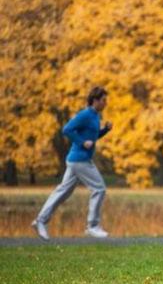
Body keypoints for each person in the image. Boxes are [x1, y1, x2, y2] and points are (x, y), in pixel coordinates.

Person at [32, 86, 112, 240]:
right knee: (99, 189)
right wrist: (82, 142)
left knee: (63, 192)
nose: (105, 103)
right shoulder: (85, 114)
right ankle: (92, 226)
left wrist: (105, 130)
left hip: (76, 160)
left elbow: (92, 138)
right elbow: (66, 129)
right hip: (80, 159)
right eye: (103, 100)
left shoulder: (96, 116)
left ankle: (40, 221)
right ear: (95, 100)